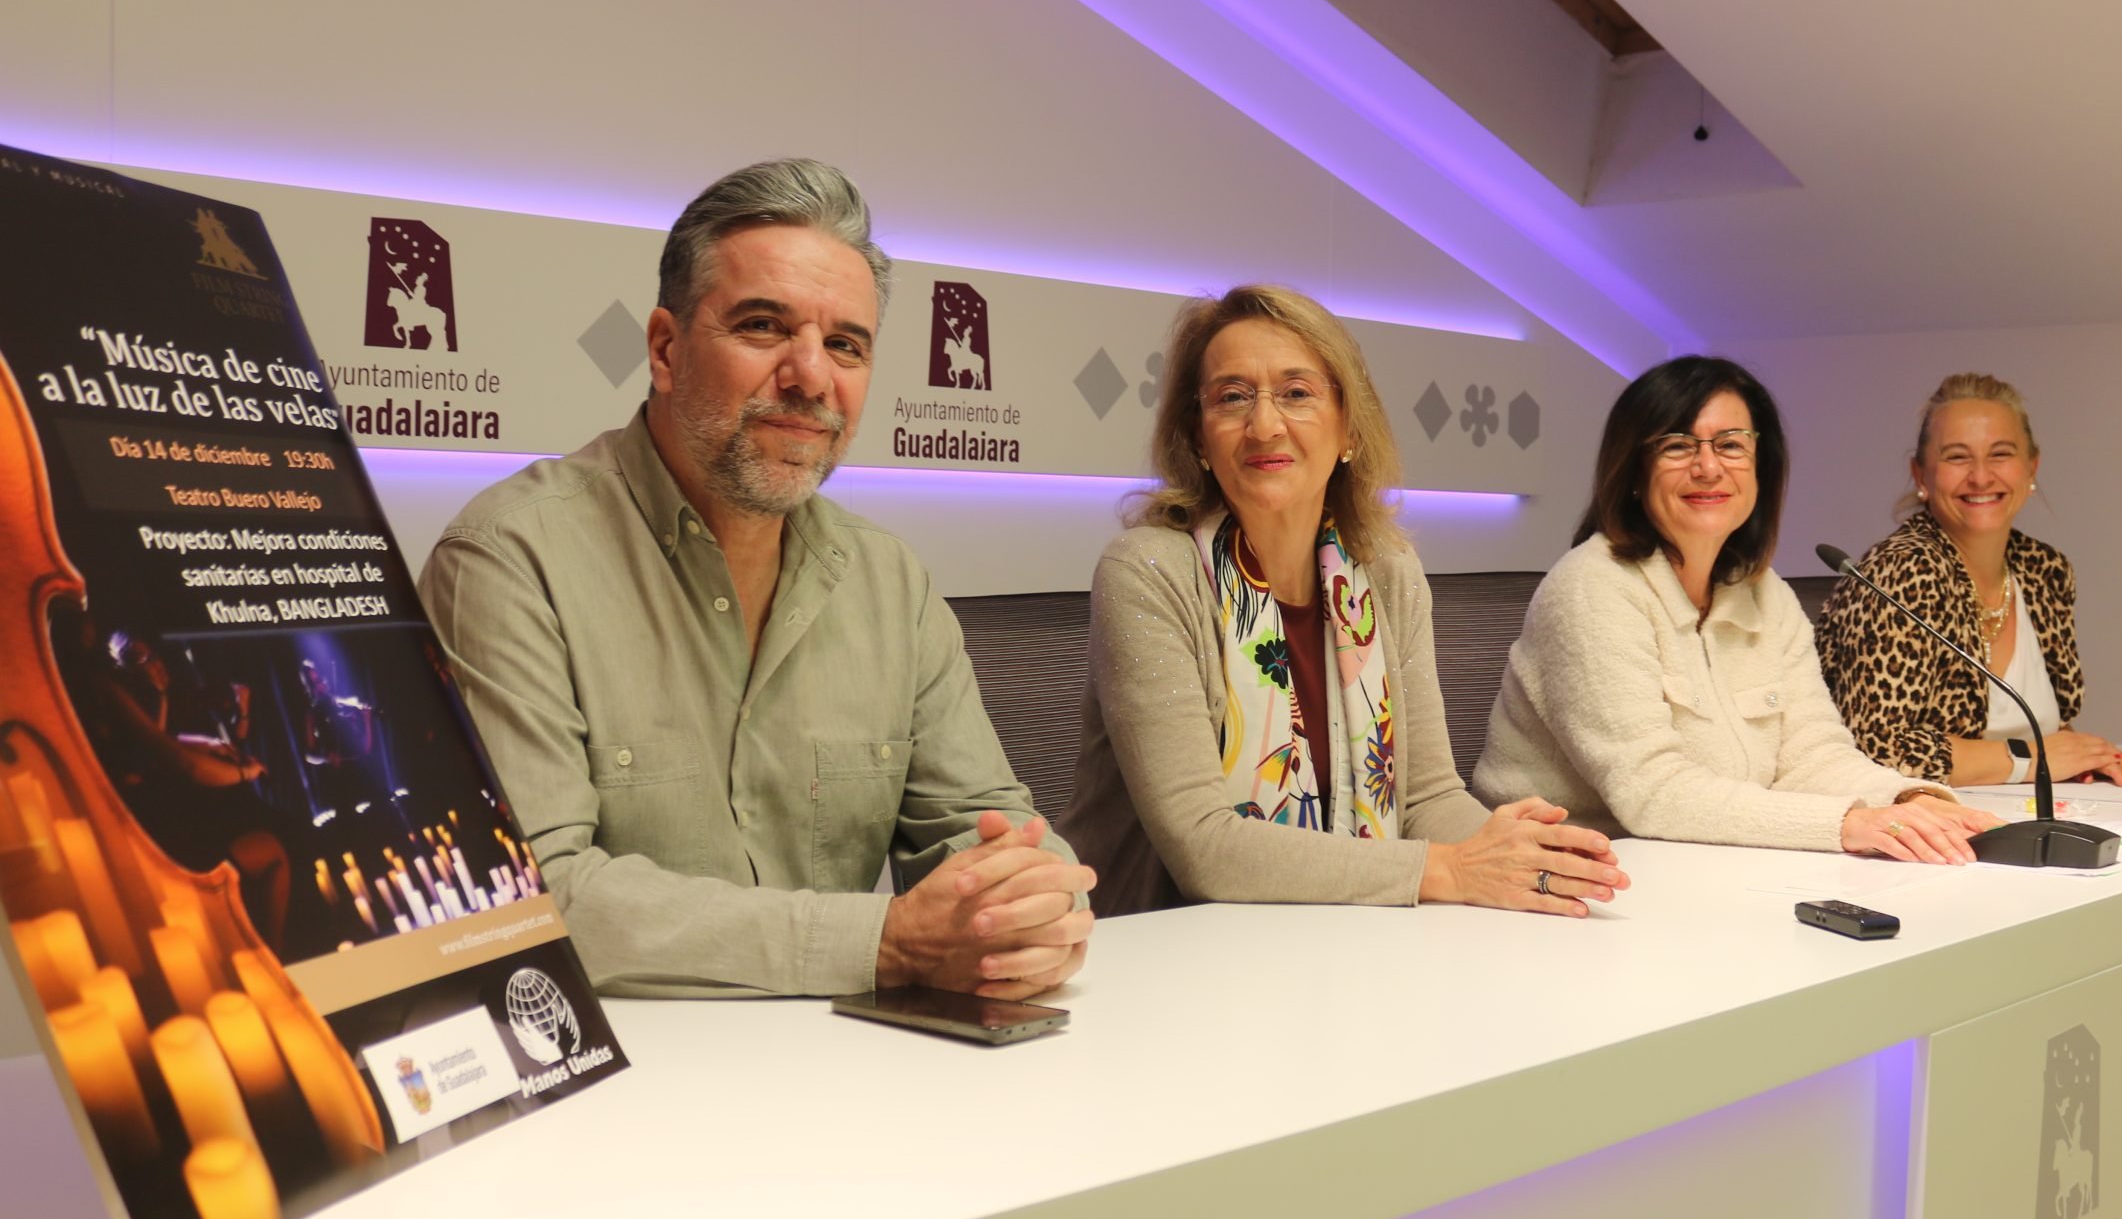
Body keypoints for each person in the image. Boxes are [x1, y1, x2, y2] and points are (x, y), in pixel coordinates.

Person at [422, 159, 1093, 998]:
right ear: (667, 349)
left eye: (845, 344)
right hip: (617, 1091)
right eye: (765, 327)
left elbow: (986, 826)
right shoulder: (511, 557)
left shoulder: (892, 582)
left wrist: (1029, 904)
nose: (811, 376)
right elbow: (530, 896)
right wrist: (882, 944)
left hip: (850, 1081)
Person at [1062, 284, 1627, 916]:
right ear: (1197, 437)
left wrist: (1524, 855)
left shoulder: (1387, 572)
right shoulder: (1148, 570)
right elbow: (1204, 845)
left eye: (1297, 394)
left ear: (1349, 428)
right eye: (1231, 398)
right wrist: (1447, 869)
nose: (1265, 424)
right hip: (1164, 947)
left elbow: (1425, 798)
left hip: (1340, 939)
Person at [1472, 356, 1997, 864]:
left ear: (1759, 469)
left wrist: (1908, 801)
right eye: (1677, 446)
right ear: (1633, 469)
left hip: (1705, 864)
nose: (1708, 467)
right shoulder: (1592, 587)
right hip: (1562, 877)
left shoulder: (1767, 593)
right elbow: (1652, 792)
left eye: (1730, 445)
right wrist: (1846, 825)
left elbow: (1812, 756)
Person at [1814, 373, 2122, 788]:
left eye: (2000, 454)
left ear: (2032, 467)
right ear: (1921, 475)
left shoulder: (2045, 570)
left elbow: (2052, 731)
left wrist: (2089, 758)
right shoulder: (1900, 572)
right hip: (1923, 828)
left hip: (2020, 815)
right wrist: (2032, 758)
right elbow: (1876, 749)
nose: (1980, 477)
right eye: (1957, 457)